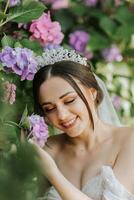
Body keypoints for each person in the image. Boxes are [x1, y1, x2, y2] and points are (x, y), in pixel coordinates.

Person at [31, 47, 134, 200]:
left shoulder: (128, 141)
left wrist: (52, 172)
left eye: (69, 100)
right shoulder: (45, 149)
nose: (62, 115)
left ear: (92, 93)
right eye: (50, 108)